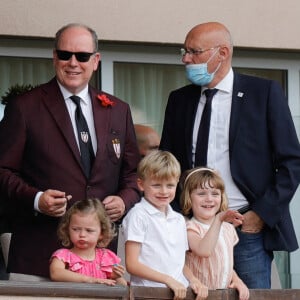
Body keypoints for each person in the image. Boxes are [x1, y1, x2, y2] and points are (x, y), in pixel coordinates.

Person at [159, 21, 300, 288]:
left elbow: (291, 162)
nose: (185, 58)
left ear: (222, 53)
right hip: (191, 229)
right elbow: (169, 162)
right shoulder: (179, 99)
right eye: (184, 51)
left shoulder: (264, 93)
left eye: (194, 52)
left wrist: (261, 213)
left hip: (244, 227)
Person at [0, 23, 140, 280]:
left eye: (82, 56)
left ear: (96, 61)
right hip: (37, 255)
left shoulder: (118, 110)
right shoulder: (25, 107)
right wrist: (36, 199)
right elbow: (3, 170)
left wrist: (124, 199)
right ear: (55, 57)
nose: (73, 63)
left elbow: (132, 174)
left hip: (99, 267)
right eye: (65, 55)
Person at [122, 150, 208, 300]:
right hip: (148, 294)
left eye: (170, 185)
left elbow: (177, 262)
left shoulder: (179, 219)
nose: (164, 191)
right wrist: (168, 280)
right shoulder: (138, 215)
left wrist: (193, 280)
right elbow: (132, 264)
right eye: (156, 185)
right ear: (141, 184)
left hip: (178, 293)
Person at [180, 167, 249, 300]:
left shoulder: (227, 229)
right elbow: (204, 251)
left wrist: (237, 280)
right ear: (189, 197)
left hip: (222, 296)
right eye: (201, 194)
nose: (209, 199)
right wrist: (218, 220)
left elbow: (225, 261)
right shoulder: (190, 228)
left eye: (215, 194)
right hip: (197, 295)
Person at [50, 198, 127, 286]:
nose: (82, 234)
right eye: (76, 229)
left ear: (101, 233)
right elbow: (55, 273)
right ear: (67, 229)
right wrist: (90, 280)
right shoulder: (63, 255)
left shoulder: (106, 257)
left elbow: (122, 287)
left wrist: (116, 277)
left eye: (89, 230)